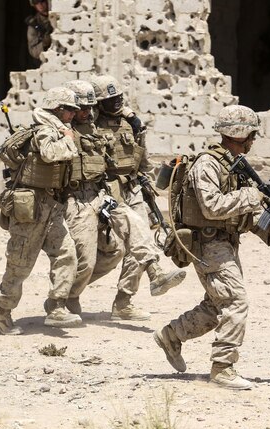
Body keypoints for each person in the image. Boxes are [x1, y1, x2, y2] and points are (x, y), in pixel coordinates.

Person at [153, 105, 270, 390]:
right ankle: (222, 368)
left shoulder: (234, 165)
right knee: (234, 302)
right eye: (251, 134)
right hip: (207, 243)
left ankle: (171, 336)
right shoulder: (208, 164)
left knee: (216, 306)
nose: (253, 140)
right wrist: (251, 195)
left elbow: (244, 214)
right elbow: (212, 207)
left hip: (225, 242)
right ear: (238, 132)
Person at [61, 80, 185, 321]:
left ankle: (125, 300)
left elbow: (142, 155)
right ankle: (67, 291)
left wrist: (146, 181)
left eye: (119, 96)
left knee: (140, 239)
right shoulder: (89, 123)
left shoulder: (131, 123)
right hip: (106, 188)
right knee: (109, 252)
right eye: (110, 99)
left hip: (132, 186)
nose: (117, 102)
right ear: (98, 103)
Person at [0, 87, 82, 334]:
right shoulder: (44, 130)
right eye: (70, 109)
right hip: (31, 206)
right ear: (57, 109)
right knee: (20, 264)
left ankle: (57, 307)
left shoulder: (58, 129)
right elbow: (50, 153)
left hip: (52, 205)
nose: (73, 114)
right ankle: (1, 312)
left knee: (66, 255)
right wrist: (68, 141)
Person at [26, 0, 53, 67]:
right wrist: (45, 43)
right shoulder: (34, 25)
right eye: (36, 3)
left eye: (42, 1)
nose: (40, 5)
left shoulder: (58, 16)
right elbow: (33, 52)